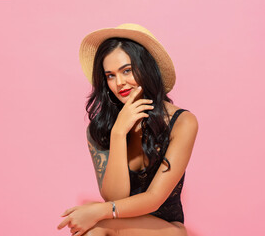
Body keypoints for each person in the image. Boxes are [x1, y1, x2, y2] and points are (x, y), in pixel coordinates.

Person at [57, 23, 198, 236]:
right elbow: (115, 198)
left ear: (146, 68)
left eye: (127, 71)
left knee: (97, 226)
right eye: (110, 75)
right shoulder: (100, 129)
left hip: (168, 230)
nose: (120, 83)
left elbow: (154, 198)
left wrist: (97, 212)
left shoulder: (182, 122)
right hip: (121, 222)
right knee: (95, 229)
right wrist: (118, 133)